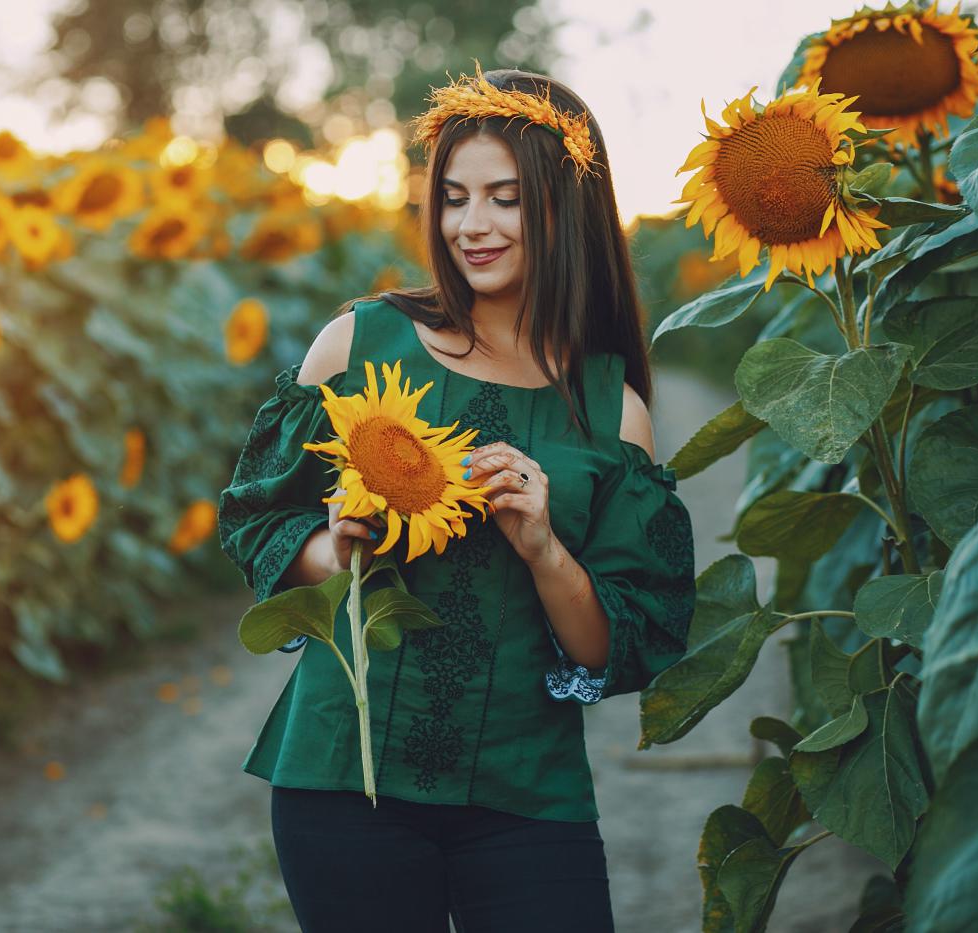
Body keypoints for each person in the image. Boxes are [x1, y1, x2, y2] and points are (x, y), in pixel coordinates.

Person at [216, 63, 697, 933]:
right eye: (454, 197)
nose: (473, 226)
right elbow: (259, 516)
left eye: (506, 198)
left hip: (530, 796)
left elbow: (610, 648)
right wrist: (337, 546)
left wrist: (545, 547)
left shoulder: (611, 408)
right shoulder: (359, 341)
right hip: (345, 781)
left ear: (567, 207)